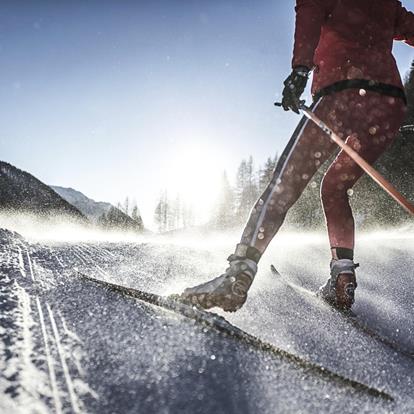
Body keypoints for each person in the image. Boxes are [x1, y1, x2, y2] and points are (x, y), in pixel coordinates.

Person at [179, 0, 414, 312]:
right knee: (334, 187)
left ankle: (238, 275)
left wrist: (299, 71)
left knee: (284, 186)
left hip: (343, 91)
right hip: (388, 107)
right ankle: (342, 277)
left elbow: (309, 14)